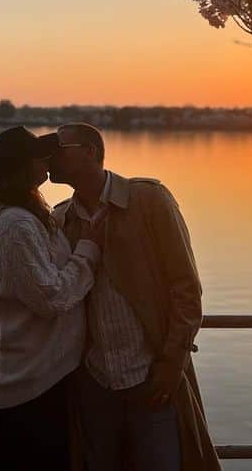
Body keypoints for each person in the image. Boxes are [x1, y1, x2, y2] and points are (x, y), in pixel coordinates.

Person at [41, 122, 221, 471]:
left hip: (150, 378)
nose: (51, 157)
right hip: (93, 383)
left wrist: (172, 364)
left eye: (59, 148)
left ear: (90, 152)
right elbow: (51, 292)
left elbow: (186, 288)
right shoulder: (61, 219)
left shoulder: (148, 200)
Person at [0, 125, 107, 471]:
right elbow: (49, 297)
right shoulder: (16, 225)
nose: (47, 160)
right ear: (24, 167)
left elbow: (8, 285)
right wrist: (88, 251)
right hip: (28, 386)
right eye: (39, 156)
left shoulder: (29, 216)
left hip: (40, 377)